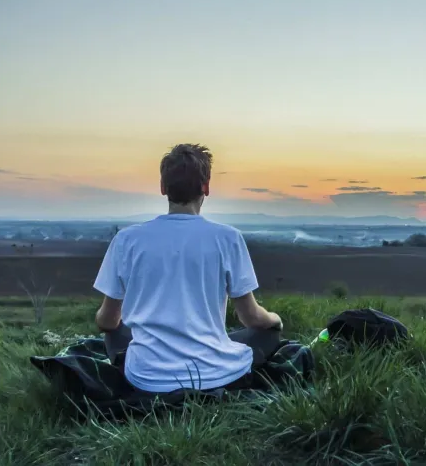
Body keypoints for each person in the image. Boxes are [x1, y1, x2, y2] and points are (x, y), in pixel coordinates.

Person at [92, 143, 283, 393]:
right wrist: (275, 320)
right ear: (206, 187)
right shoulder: (228, 238)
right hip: (215, 374)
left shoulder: (127, 240)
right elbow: (251, 318)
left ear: (163, 188)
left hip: (146, 378)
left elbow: (107, 321)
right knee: (267, 334)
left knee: (115, 333)